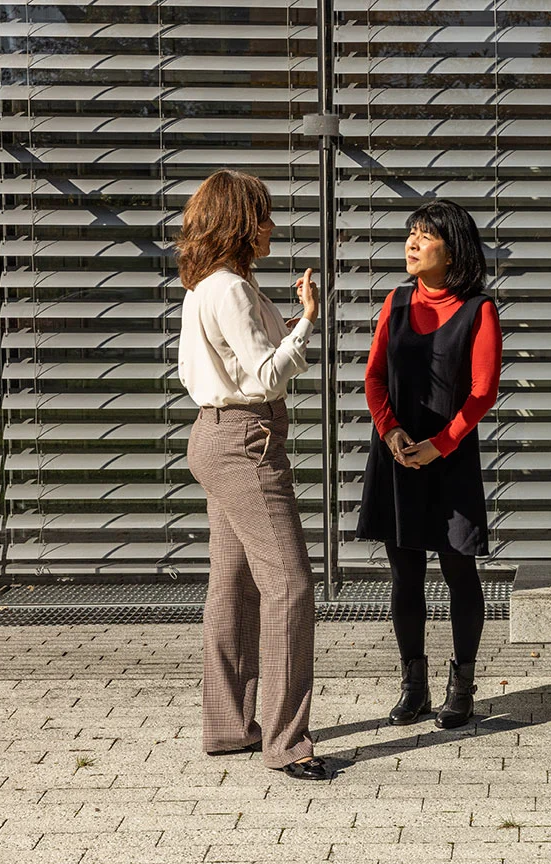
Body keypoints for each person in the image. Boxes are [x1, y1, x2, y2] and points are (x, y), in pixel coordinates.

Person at [177, 169, 329, 780]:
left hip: (213, 434)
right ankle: (287, 742)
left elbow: (203, 372)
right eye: (263, 216)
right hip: (245, 440)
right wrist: (307, 322)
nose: (271, 227)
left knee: (233, 586)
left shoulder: (203, 288)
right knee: (290, 586)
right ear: (242, 223)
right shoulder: (231, 290)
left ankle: (229, 727)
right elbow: (266, 376)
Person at [357, 199, 501, 729]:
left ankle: (461, 686)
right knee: (405, 572)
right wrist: (391, 432)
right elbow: (373, 378)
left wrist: (440, 444)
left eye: (425, 235)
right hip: (396, 455)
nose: (412, 243)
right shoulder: (394, 302)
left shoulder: (479, 309)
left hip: (451, 457)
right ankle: (413, 686)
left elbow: (483, 392)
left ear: (453, 248)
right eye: (410, 233)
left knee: (459, 569)